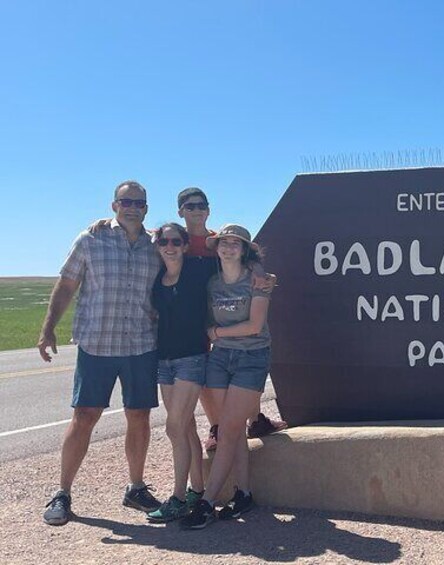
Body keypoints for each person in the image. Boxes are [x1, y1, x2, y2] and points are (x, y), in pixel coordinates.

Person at [39, 180, 162, 526]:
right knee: (85, 416)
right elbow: (66, 284)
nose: (132, 207)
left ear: (146, 208)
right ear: (114, 206)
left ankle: (135, 487)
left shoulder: (158, 244)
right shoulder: (90, 239)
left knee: (139, 417)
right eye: (126, 202)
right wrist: (48, 328)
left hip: (141, 345)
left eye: (139, 202)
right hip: (97, 344)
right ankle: (62, 492)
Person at [175, 187, 286, 451]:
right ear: (180, 211)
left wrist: (260, 271)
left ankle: (255, 419)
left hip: (223, 306)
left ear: (208, 209)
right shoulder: (174, 239)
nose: (197, 210)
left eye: (201, 205)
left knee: (241, 360)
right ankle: (217, 426)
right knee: (205, 370)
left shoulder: (218, 239)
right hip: (192, 311)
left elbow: (248, 255)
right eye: (190, 206)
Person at [181, 224, 272, 529]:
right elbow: (206, 317)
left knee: (230, 430)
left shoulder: (258, 281)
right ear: (216, 247)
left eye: (236, 243)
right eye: (224, 242)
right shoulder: (213, 285)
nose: (229, 247)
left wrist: (217, 332)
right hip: (219, 358)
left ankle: (206, 502)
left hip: (251, 357)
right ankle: (243, 492)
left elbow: (255, 325)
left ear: (244, 249)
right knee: (230, 430)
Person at [145, 223, 213, 522]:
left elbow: (237, 254)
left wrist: (262, 273)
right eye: (163, 241)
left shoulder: (199, 269)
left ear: (186, 245)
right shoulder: (158, 278)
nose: (169, 246)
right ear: (157, 245)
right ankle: (197, 490)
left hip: (192, 357)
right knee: (185, 428)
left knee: (173, 427)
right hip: (165, 360)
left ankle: (178, 497)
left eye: (175, 241)